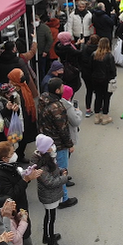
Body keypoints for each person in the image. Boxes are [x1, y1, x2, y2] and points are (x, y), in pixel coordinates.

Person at [0, 141, 43, 245]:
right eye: (12, 153)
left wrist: (27, 176)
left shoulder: (8, 166)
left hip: (20, 206)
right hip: (14, 212)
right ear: (4, 158)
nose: (15, 155)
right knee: (23, 236)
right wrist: (25, 180)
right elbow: (11, 195)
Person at [38, 78, 77, 209]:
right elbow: (63, 129)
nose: (62, 88)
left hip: (46, 141)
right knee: (61, 170)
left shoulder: (43, 100)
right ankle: (63, 199)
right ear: (57, 90)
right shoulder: (57, 107)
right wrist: (70, 144)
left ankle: (58, 196)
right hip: (58, 144)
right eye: (61, 87)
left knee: (52, 168)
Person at [31, 134, 69, 245]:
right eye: (50, 145)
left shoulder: (46, 158)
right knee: (51, 218)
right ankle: (51, 243)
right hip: (49, 196)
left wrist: (61, 170)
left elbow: (54, 169)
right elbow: (50, 182)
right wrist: (64, 178)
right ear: (45, 149)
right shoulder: (41, 166)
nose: (53, 147)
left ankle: (46, 236)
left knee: (48, 216)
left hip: (50, 195)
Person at [8, 68, 38, 163]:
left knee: (24, 138)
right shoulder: (11, 92)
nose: (23, 77)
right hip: (18, 119)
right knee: (18, 139)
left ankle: (20, 155)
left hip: (27, 116)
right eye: (20, 76)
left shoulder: (23, 86)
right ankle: (15, 157)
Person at [89, 37, 117, 125]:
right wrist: (113, 77)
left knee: (98, 97)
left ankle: (97, 116)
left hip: (95, 79)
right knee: (106, 98)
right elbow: (113, 69)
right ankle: (105, 116)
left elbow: (90, 67)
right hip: (106, 80)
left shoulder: (94, 54)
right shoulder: (109, 56)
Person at [79, 34, 100, 117]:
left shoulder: (84, 48)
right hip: (96, 74)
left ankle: (88, 109)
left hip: (86, 73)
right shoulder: (99, 51)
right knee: (98, 91)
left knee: (89, 91)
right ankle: (98, 108)